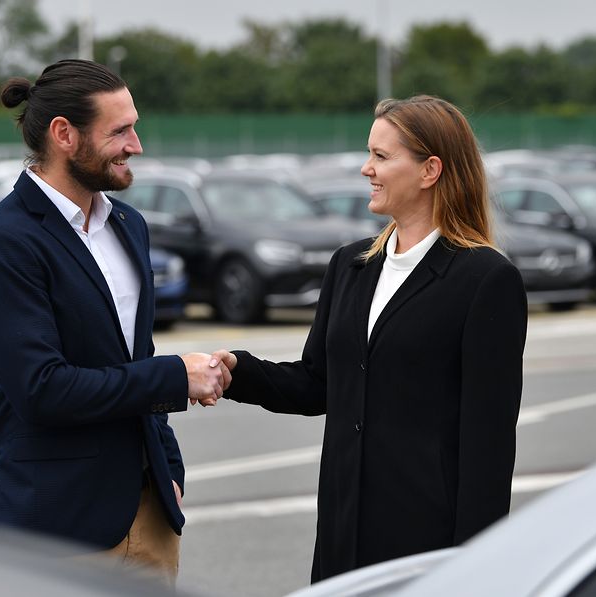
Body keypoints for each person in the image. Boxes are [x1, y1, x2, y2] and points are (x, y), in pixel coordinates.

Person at [221, 95, 528, 581]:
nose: (366, 169)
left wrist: (474, 571)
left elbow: (488, 448)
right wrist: (238, 372)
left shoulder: (486, 279)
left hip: (425, 545)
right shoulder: (350, 265)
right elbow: (317, 383)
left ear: (430, 170)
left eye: (381, 157)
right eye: (370, 154)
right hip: (343, 536)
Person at [0, 59, 233, 585]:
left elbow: (133, 359)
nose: (137, 145)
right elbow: (43, 390)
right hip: (53, 534)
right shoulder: (4, 243)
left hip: (149, 518)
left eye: (135, 126)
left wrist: (167, 470)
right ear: (64, 134)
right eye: (121, 131)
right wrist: (176, 376)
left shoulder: (129, 226)